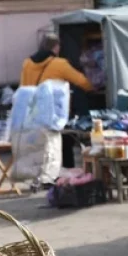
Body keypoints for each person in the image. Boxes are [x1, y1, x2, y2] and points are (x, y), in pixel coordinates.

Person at [20, 33, 93, 169]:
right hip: (54, 115)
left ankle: (44, 178)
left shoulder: (27, 64)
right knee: (64, 144)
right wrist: (94, 84)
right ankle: (65, 176)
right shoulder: (60, 64)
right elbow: (82, 82)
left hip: (34, 114)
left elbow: (23, 89)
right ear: (56, 47)